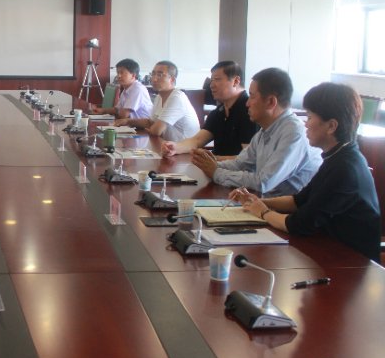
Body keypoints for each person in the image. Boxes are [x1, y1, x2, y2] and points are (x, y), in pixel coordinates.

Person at [230, 83, 381, 262]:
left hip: (352, 262)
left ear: (331, 126)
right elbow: (299, 201)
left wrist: (263, 212)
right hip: (329, 249)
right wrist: (257, 202)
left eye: (309, 117)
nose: (305, 124)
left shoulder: (345, 168)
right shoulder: (338, 156)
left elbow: (299, 224)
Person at [193, 67, 321, 197]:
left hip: (284, 208)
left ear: (271, 102)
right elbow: (240, 164)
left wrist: (216, 172)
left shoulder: (293, 133)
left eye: (252, 96)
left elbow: (263, 182)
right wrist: (208, 165)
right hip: (263, 201)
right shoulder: (265, 131)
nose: (247, 103)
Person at [162, 61, 258, 158]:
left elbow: (249, 159)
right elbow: (197, 140)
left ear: (236, 81)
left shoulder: (250, 111)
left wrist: (214, 160)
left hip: (230, 167)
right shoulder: (218, 112)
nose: (211, 85)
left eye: (217, 79)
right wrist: (175, 147)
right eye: (212, 80)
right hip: (216, 165)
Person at [114, 60, 200, 142]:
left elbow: (156, 131)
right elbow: (150, 122)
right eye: (153, 74)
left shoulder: (177, 98)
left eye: (160, 75)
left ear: (172, 79)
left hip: (184, 149)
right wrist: (127, 121)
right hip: (168, 145)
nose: (154, 79)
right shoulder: (159, 97)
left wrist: (147, 129)